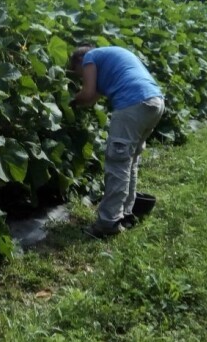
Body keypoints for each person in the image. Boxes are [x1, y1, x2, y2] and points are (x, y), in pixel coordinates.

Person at [70, 45, 165, 237]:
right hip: (155, 102)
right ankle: (126, 214)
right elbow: (92, 98)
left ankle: (107, 224)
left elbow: (86, 94)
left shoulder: (89, 57)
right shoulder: (109, 57)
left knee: (117, 164)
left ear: (79, 61)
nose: (81, 78)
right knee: (130, 162)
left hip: (132, 104)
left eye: (79, 74)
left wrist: (69, 101)